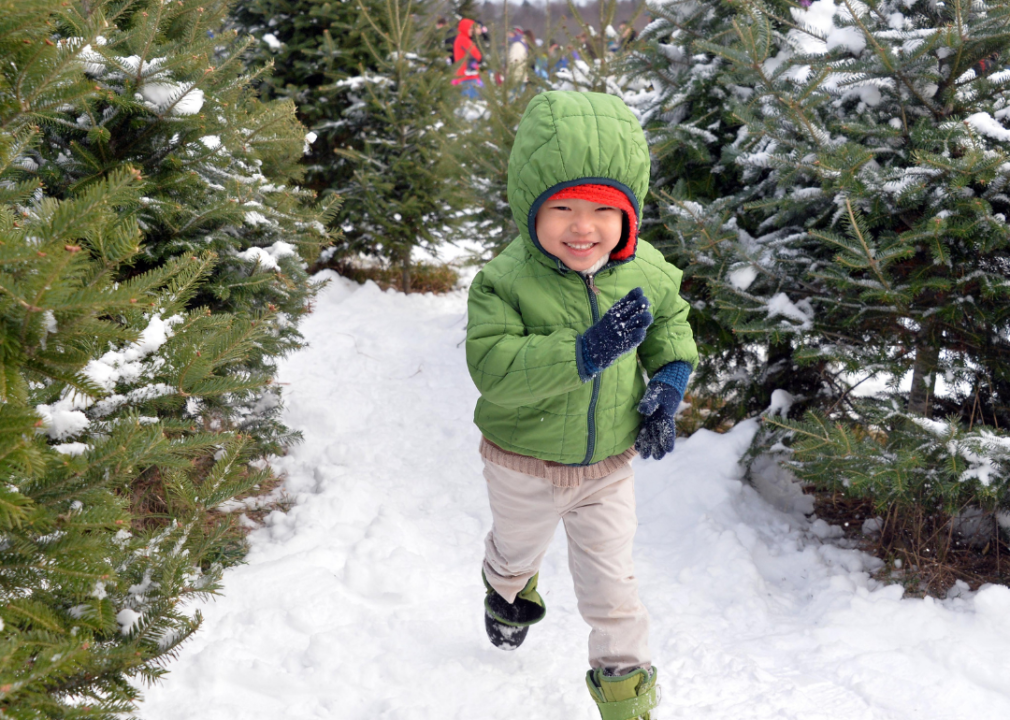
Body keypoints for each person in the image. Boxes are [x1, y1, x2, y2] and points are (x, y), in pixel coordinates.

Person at [465, 91, 698, 720]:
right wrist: (585, 353)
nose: (582, 226)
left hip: (605, 470)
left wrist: (667, 385)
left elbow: (671, 324)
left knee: (613, 588)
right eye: (562, 207)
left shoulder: (645, 269)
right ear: (530, 208)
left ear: (630, 214)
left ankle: (627, 699)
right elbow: (493, 368)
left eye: (603, 209)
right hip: (522, 463)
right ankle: (506, 592)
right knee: (516, 554)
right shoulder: (504, 280)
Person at [452, 17, 483, 98]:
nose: (471, 30)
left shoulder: (460, 38)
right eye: (470, 28)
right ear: (465, 28)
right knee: (471, 103)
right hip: (468, 76)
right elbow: (476, 55)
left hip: (463, 75)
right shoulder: (464, 39)